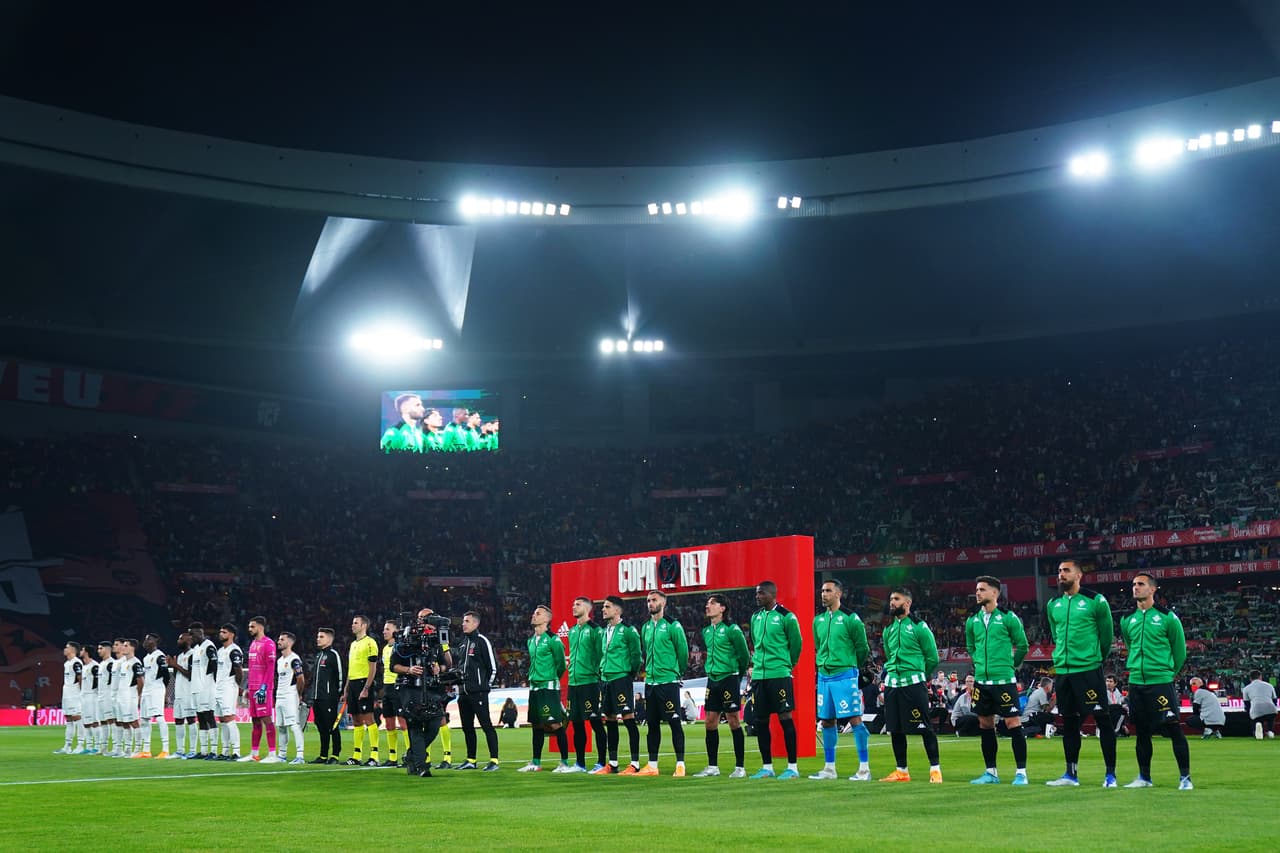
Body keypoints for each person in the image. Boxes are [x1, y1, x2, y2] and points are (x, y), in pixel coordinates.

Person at [1044, 559, 1118, 787]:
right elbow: (1056, 635)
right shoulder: (1053, 604)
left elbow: (1106, 637)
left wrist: (1093, 657)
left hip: (1088, 669)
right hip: (1064, 672)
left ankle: (1110, 775)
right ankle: (1070, 774)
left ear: (1079, 575)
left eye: (1066, 570)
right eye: (1059, 571)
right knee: (1069, 723)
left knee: (1102, 721)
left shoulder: (1096, 601)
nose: (1061, 574)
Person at [1118, 571, 1192, 790]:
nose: (1135, 588)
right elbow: (1130, 646)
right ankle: (1144, 777)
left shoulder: (1168, 617)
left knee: (1173, 728)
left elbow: (1179, 652)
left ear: (1152, 589)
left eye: (1140, 584)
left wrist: (1167, 674)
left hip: (1160, 681)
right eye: (1133, 584)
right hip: (1136, 683)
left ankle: (1185, 778)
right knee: (1141, 731)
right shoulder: (1127, 619)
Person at [965, 575, 1030, 785]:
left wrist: (1011, 665)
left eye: (982, 589)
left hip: (1003, 681)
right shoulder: (972, 621)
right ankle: (991, 772)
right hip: (982, 683)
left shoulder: (1008, 617)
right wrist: (978, 662)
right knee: (985, 725)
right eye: (977, 589)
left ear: (995, 593)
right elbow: (971, 646)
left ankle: (1021, 773)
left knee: (1013, 723)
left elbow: (1022, 645)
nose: (978, 593)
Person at [877, 589, 942, 783]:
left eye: (896, 599)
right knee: (895, 729)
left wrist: (920, 675)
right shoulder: (888, 629)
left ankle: (935, 770)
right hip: (892, 685)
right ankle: (901, 771)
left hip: (913, 684)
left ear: (907, 603)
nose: (891, 603)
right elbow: (889, 655)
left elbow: (933, 657)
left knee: (924, 727)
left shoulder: (919, 627)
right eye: (890, 599)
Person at [810, 579, 871, 781]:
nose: (823, 594)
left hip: (844, 674)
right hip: (824, 676)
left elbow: (862, 648)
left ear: (839, 594)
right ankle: (829, 768)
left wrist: (851, 665)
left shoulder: (851, 619)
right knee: (827, 721)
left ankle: (864, 769)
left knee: (854, 719)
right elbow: (819, 646)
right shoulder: (818, 620)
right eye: (822, 590)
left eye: (828, 591)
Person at [748, 580, 803, 780]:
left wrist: (787, 664)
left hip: (779, 674)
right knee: (761, 721)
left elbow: (796, 644)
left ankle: (793, 767)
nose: (757, 596)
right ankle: (767, 767)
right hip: (759, 676)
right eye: (757, 593)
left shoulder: (786, 617)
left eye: (761, 593)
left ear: (772, 595)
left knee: (785, 718)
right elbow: (755, 642)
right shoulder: (756, 617)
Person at [694, 593, 750, 778]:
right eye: (708, 603)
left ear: (723, 608)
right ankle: (712, 767)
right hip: (713, 679)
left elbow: (744, 656)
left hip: (729, 678)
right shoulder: (706, 631)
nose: (707, 606)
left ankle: (740, 767)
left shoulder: (732, 629)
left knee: (733, 720)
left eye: (712, 603)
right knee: (710, 722)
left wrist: (737, 675)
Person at [393, 608, 452, 778]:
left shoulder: (435, 640)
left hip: (431, 686)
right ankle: (421, 766)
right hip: (410, 687)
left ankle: (412, 756)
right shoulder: (406, 638)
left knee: (435, 721)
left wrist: (438, 668)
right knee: (415, 724)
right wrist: (409, 669)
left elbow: (446, 664)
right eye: (425, 619)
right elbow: (393, 665)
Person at [639, 590, 690, 776]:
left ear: (663, 603)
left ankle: (680, 765)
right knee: (652, 724)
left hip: (668, 681)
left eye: (654, 600)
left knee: (674, 722)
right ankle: (652, 765)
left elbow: (682, 651)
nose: (650, 603)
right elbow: (645, 652)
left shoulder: (673, 625)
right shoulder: (645, 627)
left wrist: (677, 672)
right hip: (650, 682)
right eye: (648, 601)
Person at [518, 605, 570, 772]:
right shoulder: (531, 640)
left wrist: (551, 677)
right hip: (534, 687)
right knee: (537, 724)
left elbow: (561, 664)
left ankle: (564, 762)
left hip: (548, 686)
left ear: (547, 619)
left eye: (538, 613)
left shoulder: (554, 640)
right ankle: (536, 762)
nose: (534, 615)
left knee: (555, 724)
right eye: (534, 612)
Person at [596, 595, 643, 775]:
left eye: (606, 607)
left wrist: (628, 674)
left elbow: (636, 655)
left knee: (628, 718)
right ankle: (613, 763)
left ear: (617, 610)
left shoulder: (628, 630)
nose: (603, 609)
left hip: (621, 679)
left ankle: (635, 763)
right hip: (606, 680)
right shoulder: (603, 631)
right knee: (610, 720)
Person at [454, 610, 501, 770]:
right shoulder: (462, 643)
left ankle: (494, 760)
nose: (463, 624)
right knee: (467, 727)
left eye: (467, 621)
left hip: (478, 692)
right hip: (463, 693)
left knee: (486, 725)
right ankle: (471, 760)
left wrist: (485, 687)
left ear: (476, 623)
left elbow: (493, 667)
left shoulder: (482, 641)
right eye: (463, 621)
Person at [565, 597, 607, 773]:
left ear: (588, 608)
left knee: (596, 722)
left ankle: (601, 762)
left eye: (578, 604)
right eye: (573, 604)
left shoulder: (596, 630)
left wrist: (597, 677)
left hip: (590, 683)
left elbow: (601, 655)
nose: (574, 607)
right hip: (573, 683)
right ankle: (580, 764)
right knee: (576, 723)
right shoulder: (573, 631)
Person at [240, 617, 279, 762]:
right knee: (255, 721)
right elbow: (251, 669)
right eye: (249, 626)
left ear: (261, 627)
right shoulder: (252, 644)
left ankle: (272, 754)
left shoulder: (269, 644)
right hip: (253, 688)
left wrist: (264, 688)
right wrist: (248, 687)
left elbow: (270, 668)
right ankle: (254, 754)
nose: (249, 629)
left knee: (267, 719)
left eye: (252, 626)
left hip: (264, 688)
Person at [344, 614, 381, 766]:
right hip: (352, 683)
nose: (352, 625)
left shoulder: (370, 643)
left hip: (363, 683)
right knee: (356, 720)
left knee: (368, 719)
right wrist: (346, 688)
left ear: (364, 625)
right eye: (353, 622)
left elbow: (373, 668)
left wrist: (366, 687)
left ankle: (374, 755)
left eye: (356, 623)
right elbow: (350, 668)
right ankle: (356, 755)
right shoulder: (353, 644)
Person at [309, 627, 344, 764]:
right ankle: (323, 755)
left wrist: (337, 693)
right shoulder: (318, 656)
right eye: (318, 636)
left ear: (329, 639)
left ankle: (335, 755)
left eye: (321, 637)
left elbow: (340, 675)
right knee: (321, 726)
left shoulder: (333, 655)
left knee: (332, 726)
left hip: (329, 698)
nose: (318, 639)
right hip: (317, 697)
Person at [377, 619, 408, 768]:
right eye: (384, 629)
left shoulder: (400, 648)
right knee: (389, 723)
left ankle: (410, 754)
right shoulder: (384, 648)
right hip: (387, 688)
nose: (384, 631)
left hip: (399, 687)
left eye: (387, 629)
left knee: (403, 723)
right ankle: (392, 757)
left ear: (395, 631)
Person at [273, 631, 307, 764]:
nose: (279, 641)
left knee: (294, 725)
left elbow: (301, 679)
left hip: (290, 695)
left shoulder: (294, 659)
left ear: (290, 642)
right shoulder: (279, 661)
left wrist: (298, 694)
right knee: (281, 726)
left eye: (282, 639)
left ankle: (300, 755)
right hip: (280, 696)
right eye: (279, 639)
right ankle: (282, 755)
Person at [188, 623, 219, 759]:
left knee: (209, 716)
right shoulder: (196, 649)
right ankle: (204, 751)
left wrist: (211, 683)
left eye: (193, 634)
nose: (191, 637)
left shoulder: (209, 646)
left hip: (207, 688)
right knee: (200, 718)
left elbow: (214, 665)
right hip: (196, 688)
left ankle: (213, 750)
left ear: (200, 632)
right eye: (190, 634)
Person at [214, 624, 244, 760]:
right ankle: (225, 751)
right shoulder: (220, 651)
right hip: (218, 687)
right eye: (220, 631)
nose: (221, 634)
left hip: (228, 687)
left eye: (224, 632)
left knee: (229, 718)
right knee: (222, 720)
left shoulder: (234, 651)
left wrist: (236, 686)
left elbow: (239, 671)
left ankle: (236, 751)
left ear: (232, 635)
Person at [138, 633, 170, 759]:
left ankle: (165, 750)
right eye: (145, 639)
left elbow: (166, 676)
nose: (146, 642)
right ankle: (146, 751)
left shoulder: (160, 656)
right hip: (146, 691)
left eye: (149, 639)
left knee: (160, 717)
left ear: (156, 641)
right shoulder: (146, 658)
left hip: (157, 689)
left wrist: (165, 693)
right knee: (144, 719)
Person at [167, 632, 195, 759]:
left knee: (190, 720)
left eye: (181, 638)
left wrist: (175, 665)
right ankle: (180, 750)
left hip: (189, 693)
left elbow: (190, 675)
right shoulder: (179, 656)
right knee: (178, 721)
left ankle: (193, 750)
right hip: (179, 693)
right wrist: (173, 665)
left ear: (189, 640)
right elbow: (177, 673)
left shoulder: (192, 654)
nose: (178, 640)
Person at [54, 642, 83, 755]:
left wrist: (80, 693)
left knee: (77, 718)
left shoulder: (76, 663)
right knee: (69, 719)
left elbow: (80, 678)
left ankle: (80, 744)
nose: (64, 649)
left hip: (75, 694)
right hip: (67, 694)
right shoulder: (67, 663)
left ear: (72, 649)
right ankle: (68, 746)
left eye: (66, 647)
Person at [79, 645, 102, 755]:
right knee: (86, 722)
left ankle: (97, 746)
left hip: (93, 696)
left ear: (87, 652)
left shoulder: (95, 666)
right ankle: (88, 746)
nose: (81, 651)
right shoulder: (84, 667)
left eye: (82, 650)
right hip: (84, 696)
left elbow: (99, 684)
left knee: (94, 722)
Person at [1242, 670, 1277, 740]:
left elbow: (1247, 704)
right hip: (1270, 708)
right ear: (1260, 677)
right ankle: (1270, 731)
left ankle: (1256, 730)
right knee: (1270, 718)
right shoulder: (1269, 685)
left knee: (1255, 718)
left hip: (1256, 709)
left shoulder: (1246, 688)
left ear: (1250, 678)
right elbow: (1274, 700)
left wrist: (1249, 712)